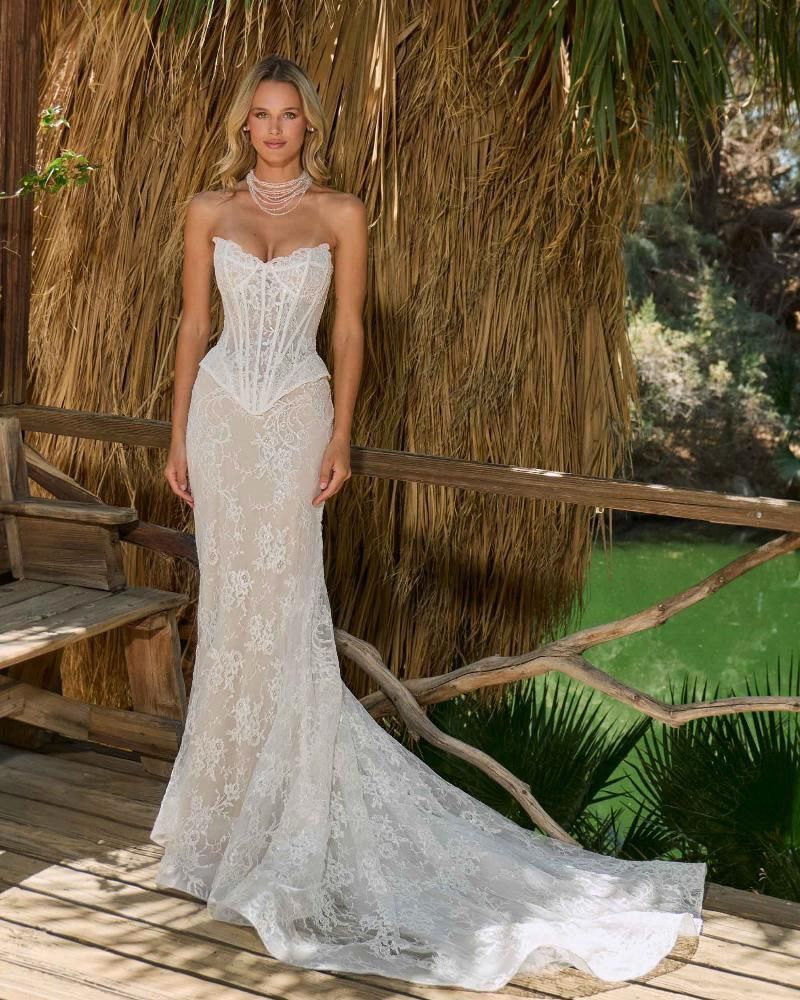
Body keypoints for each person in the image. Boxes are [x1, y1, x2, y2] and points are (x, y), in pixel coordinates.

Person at [152, 53, 707, 992]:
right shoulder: (209, 211)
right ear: (244, 125)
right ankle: (216, 828)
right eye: (262, 115)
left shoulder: (342, 213)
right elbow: (190, 325)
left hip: (294, 423)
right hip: (218, 422)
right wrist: (173, 438)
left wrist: (343, 437)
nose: (275, 128)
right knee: (231, 620)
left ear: (308, 125)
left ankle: (285, 820)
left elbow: (351, 330)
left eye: (290, 115)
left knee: (286, 613)